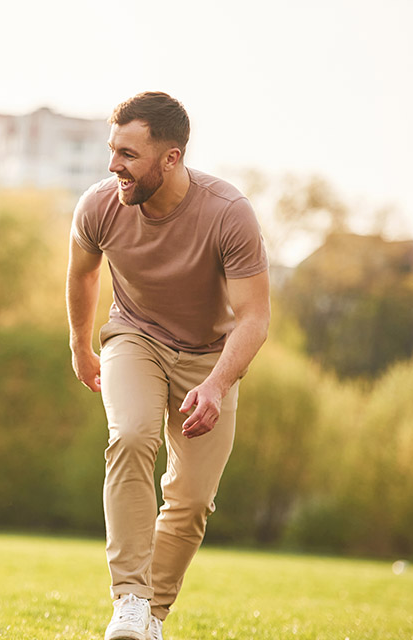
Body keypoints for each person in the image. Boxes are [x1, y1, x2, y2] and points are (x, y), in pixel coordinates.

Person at [65, 92, 270, 640]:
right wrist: (80, 345)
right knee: (130, 435)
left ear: (171, 158)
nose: (114, 166)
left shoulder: (227, 213)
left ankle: (151, 617)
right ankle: (129, 599)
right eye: (112, 151)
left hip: (210, 356)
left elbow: (253, 319)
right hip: (135, 337)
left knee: (192, 499)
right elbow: (83, 274)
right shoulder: (100, 206)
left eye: (128, 155)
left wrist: (218, 383)